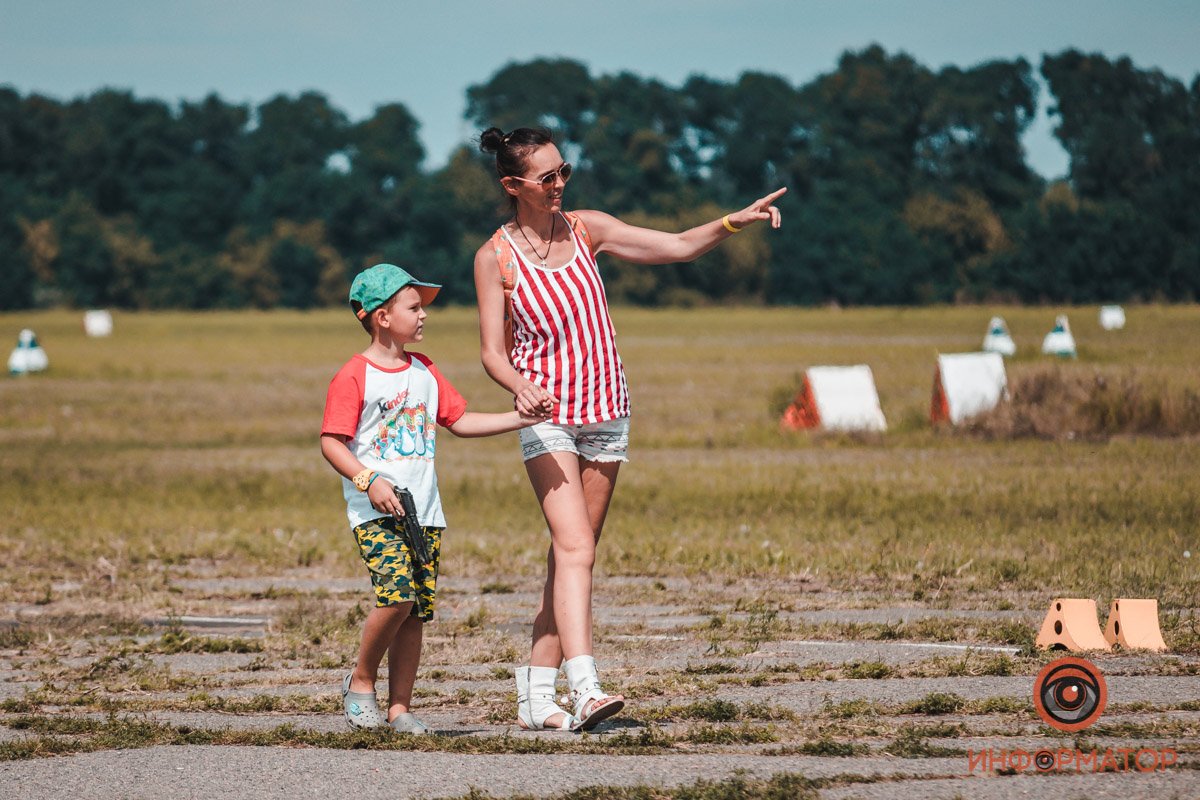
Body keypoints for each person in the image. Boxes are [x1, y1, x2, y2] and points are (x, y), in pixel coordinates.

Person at [473, 126, 785, 731]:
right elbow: (492, 352)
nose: (560, 184)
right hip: (548, 417)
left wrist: (734, 221)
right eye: (546, 177)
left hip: (607, 412)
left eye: (564, 171)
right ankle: (587, 689)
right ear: (513, 185)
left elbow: (678, 246)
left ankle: (536, 695)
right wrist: (519, 386)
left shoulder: (588, 228)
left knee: (570, 557)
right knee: (576, 549)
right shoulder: (495, 258)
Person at [321, 262, 549, 734]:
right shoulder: (354, 375)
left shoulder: (424, 370)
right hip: (376, 512)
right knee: (397, 596)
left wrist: (522, 418)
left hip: (424, 512)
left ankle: (400, 708)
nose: (423, 314)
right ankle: (361, 680)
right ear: (382, 317)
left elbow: (460, 420)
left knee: (415, 613)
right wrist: (368, 481)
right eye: (413, 307)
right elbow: (331, 442)